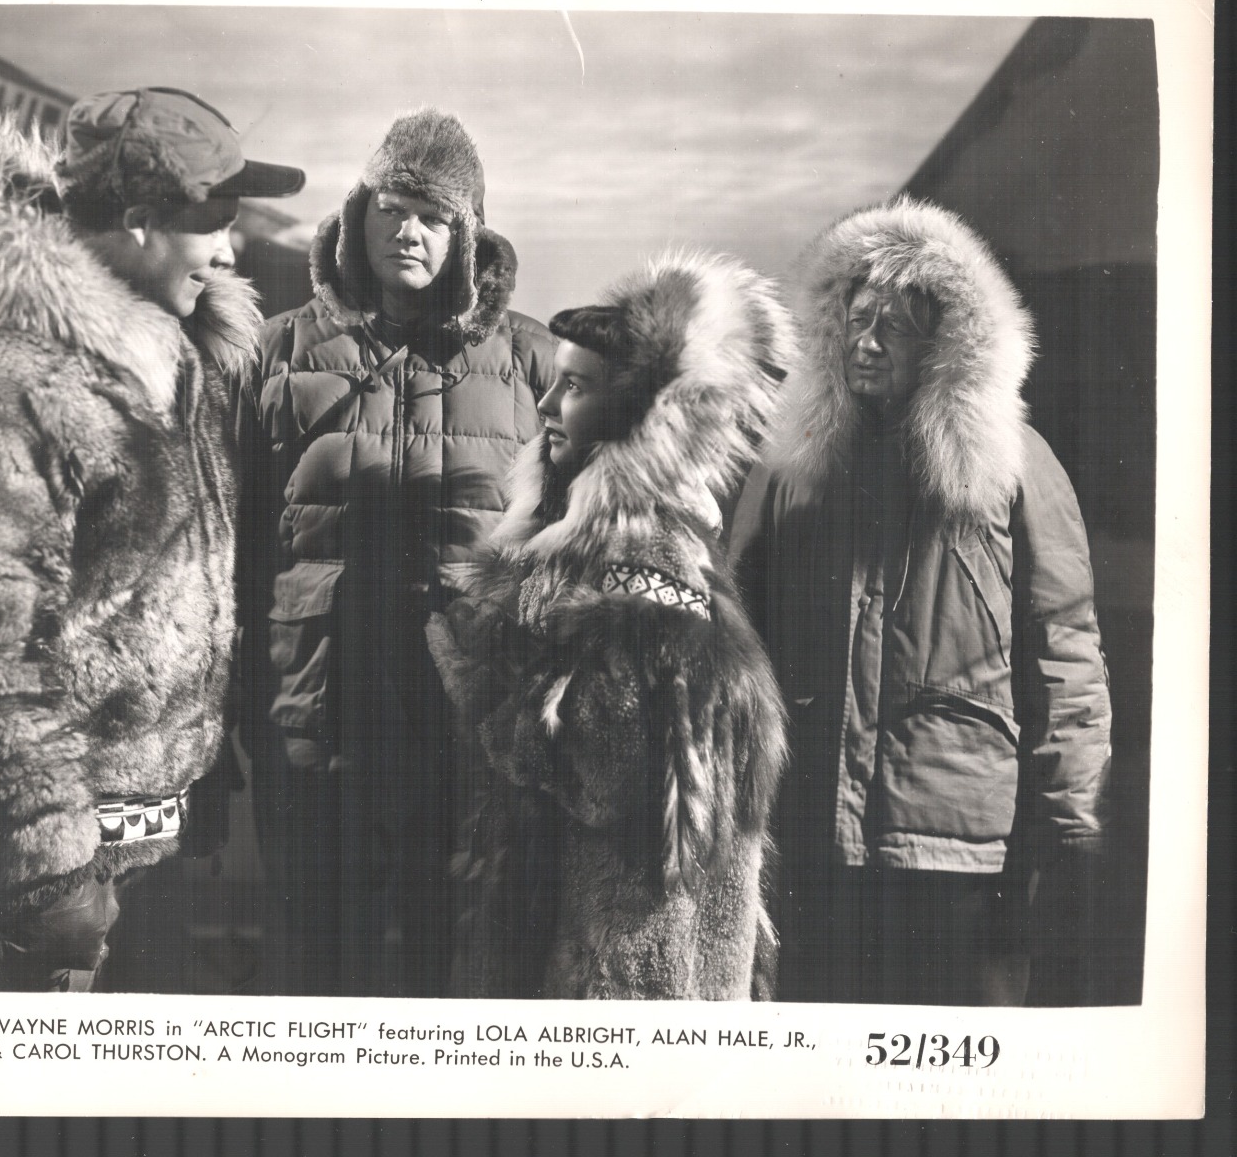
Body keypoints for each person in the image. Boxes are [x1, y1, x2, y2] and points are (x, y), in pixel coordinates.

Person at [0, 88, 304, 991]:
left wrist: (188, 779)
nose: (230, 249)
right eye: (213, 220)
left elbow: (150, 612)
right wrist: (47, 881)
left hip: (142, 857)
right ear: (138, 220)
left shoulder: (169, 363)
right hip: (36, 882)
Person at [728, 196, 1112, 1006]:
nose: (865, 343)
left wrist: (1073, 822)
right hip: (811, 839)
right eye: (856, 320)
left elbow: (1065, 646)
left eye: (894, 328)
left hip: (959, 852)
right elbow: (734, 639)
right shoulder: (788, 470)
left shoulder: (1015, 465)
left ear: (945, 344)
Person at [239, 107, 556, 997]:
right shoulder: (278, 351)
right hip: (315, 714)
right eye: (391, 209)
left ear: (468, 233)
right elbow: (237, 544)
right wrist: (239, 706)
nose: (408, 232)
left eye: (434, 216)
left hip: (468, 729)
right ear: (357, 213)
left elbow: (562, 555)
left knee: (452, 972)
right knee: (314, 970)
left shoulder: (533, 363)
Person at [427, 251, 794, 998]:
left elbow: (607, 772)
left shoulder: (645, 553)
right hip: (609, 928)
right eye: (555, 380)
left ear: (634, 410)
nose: (546, 403)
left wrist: (475, 670)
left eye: (576, 387)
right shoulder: (590, 536)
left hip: (627, 952)